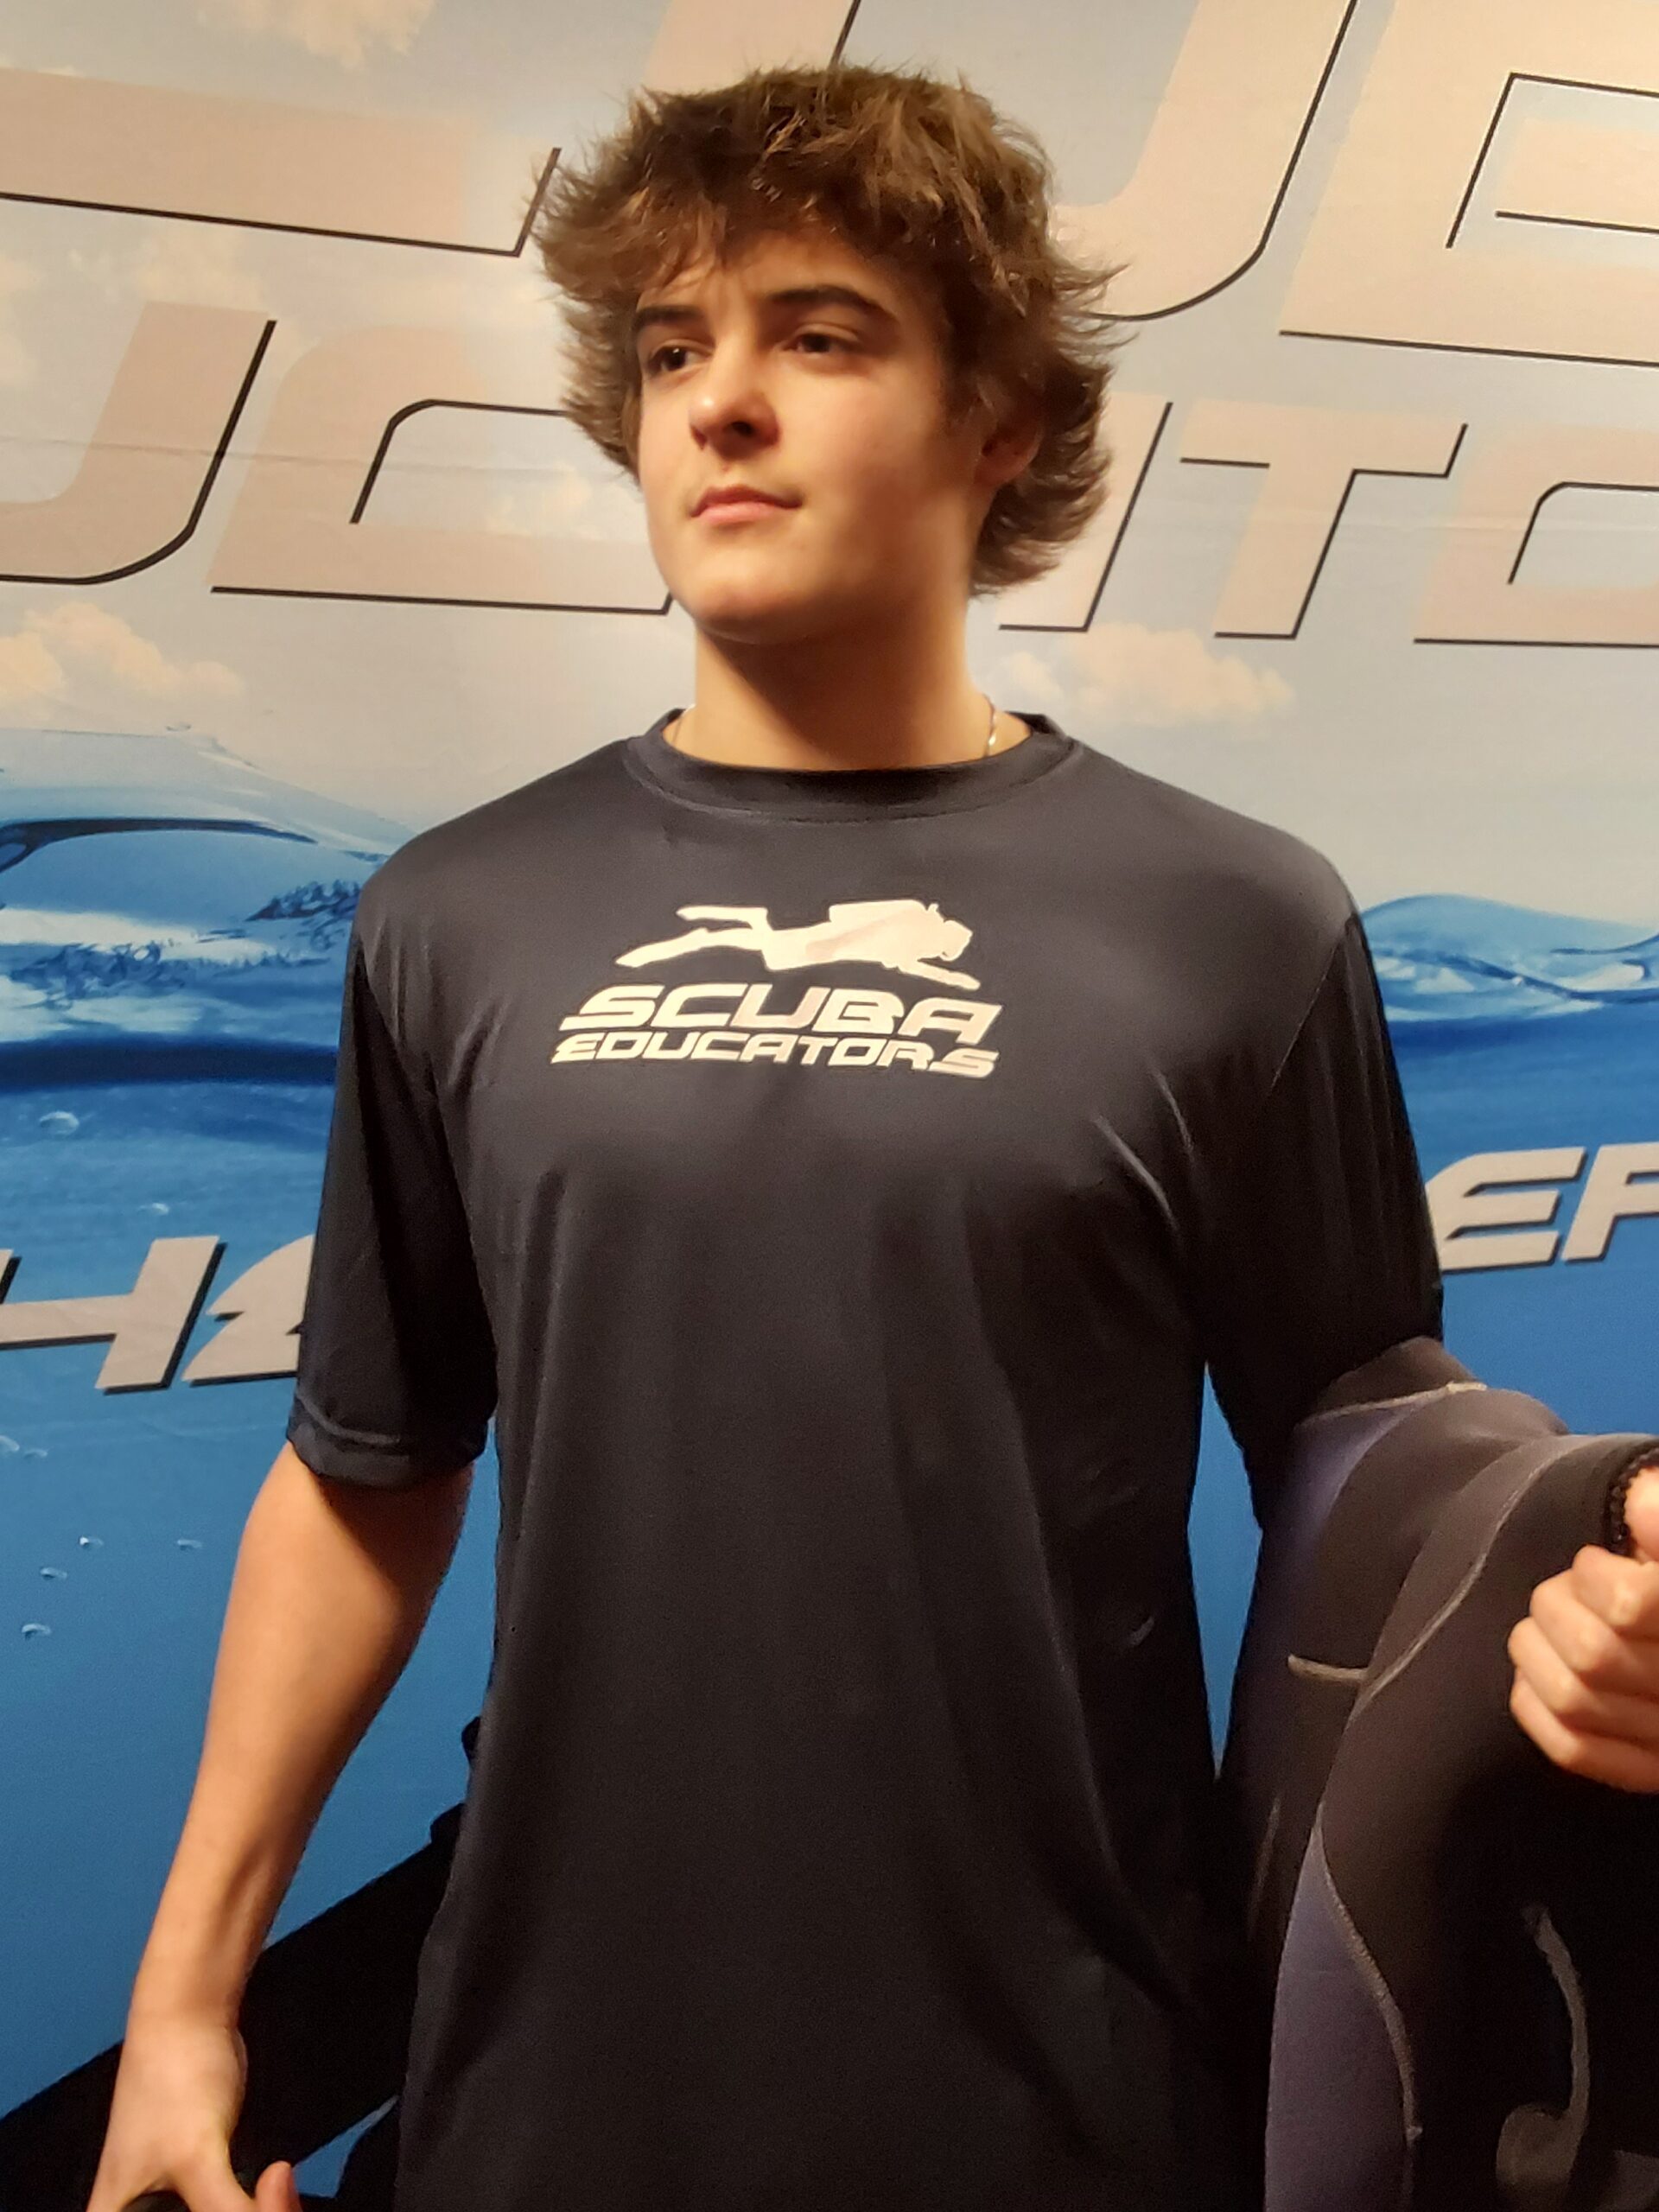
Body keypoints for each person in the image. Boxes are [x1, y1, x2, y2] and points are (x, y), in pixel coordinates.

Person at [85, 57, 1659, 2212]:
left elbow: (1383, 1485)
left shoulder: (1235, 917)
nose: (719, 404)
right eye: (670, 350)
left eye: (817, 335)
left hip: (1066, 2102)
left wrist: (1583, 1609)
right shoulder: (456, 912)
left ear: (997, 420)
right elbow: (370, 1468)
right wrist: (185, 2003)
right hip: (543, 2095)